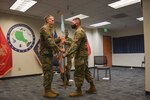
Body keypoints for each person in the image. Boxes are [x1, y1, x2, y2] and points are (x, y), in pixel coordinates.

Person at [63, 18, 96, 97]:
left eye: (73, 22)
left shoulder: (79, 31)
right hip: (82, 55)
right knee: (86, 71)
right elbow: (74, 44)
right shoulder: (80, 31)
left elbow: (75, 45)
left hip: (81, 56)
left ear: (77, 23)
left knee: (78, 73)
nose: (72, 24)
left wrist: (66, 54)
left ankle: (78, 91)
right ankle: (92, 87)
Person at [40, 15, 64, 98]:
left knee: (50, 73)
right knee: (47, 73)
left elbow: (52, 41)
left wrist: (59, 39)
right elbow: (50, 42)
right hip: (45, 54)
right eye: (52, 20)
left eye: (54, 20)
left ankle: (49, 89)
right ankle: (46, 91)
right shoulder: (45, 29)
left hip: (49, 54)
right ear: (47, 20)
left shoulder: (49, 30)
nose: (53, 21)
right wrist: (60, 50)